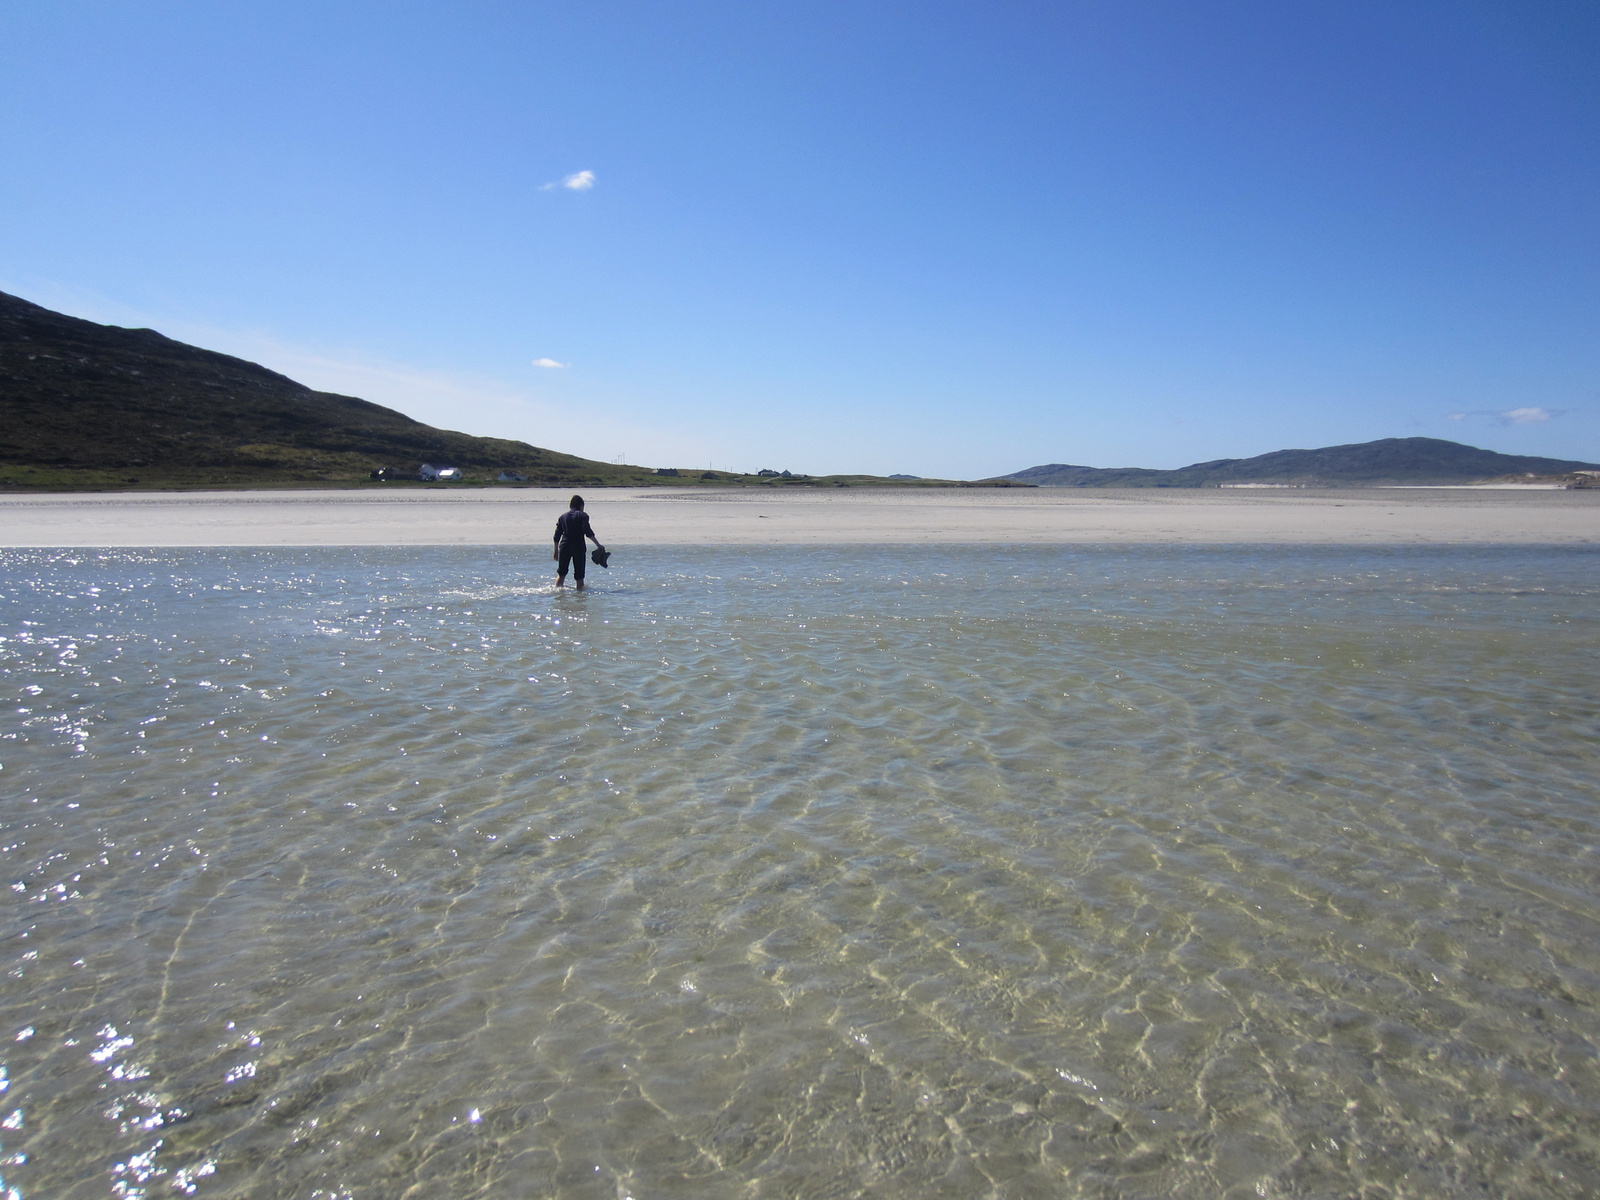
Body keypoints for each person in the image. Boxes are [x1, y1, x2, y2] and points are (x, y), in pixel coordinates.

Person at [553, 494, 604, 589]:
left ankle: (558, 594)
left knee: (561, 574)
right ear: (581, 506)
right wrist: (598, 545)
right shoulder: (583, 515)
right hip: (578, 547)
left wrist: (556, 551)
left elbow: (557, 536)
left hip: (564, 546)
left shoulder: (563, 517)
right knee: (579, 576)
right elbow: (587, 531)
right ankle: (580, 598)